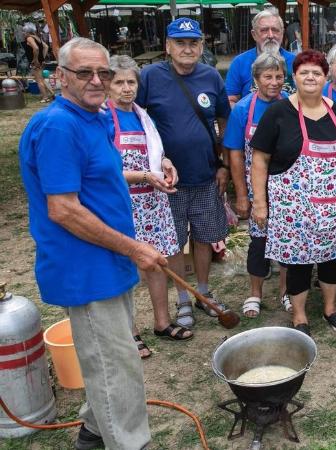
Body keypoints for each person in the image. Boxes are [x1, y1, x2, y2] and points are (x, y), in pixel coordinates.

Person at [19, 36, 166, 450]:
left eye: (104, 71)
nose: (97, 80)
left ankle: (96, 430)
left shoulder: (96, 117)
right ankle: (130, 443)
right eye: (85, 72)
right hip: (84, 267)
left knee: (110, 358)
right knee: (115, 366)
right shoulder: (58, 126)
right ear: (60, 77)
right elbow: (63, 209)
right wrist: (136, 248)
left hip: (110, 260)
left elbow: (99, 178)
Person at [249, 50, 336, 336]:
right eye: (305, 72)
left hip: (334, 207)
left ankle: (330, 308)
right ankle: (300, 316)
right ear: (295, 77)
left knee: (330, 259)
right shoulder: (278, 113)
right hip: (293, 208)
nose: (311, 77)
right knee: (297, 263)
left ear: (325, 77)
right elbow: (259, 160)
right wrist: (260, 203)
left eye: (317, 72)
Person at [137, 17, 231, 328]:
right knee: (173, 241)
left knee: (203, 237)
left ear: (202, 46)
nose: (187, 48)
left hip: (205, 174)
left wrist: (223, 164)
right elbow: (134, 118)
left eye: (193, 43)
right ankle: (182, 299)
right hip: (167, 182)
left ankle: (202, 293)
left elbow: (222, 122)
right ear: (167, 46)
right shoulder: (149, 76)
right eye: (180, 42)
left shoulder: (211, 77)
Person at [105, 55, 190, 358]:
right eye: (119, 82)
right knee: (127, 267)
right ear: (107, 85)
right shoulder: (104, 117)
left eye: (131, 82)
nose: (127, 88)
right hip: (123, 203)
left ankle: (162, 322)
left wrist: (165, 163)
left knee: (157, 262)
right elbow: (103, 170)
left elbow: (155, 153)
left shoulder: (142, 116)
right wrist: (143, 175)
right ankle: (130, 333)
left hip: (154, 201)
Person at [225, 52, 289, 318]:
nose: (273, 82)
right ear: (255, 79)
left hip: (289, 187)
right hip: (256, 187)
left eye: (279, 76)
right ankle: (255, 293)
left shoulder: (291, 105)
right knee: (259, 242)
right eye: (267, 77)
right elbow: (236, 154)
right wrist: (241, 194)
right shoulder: (243, 109)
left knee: (288, 241)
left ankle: (286, 291)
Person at [225, 8, 296, 107]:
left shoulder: (296, 62)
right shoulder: (240, 62)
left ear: (282, 33)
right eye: (264, 30)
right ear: (254, 34)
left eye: (275, 30)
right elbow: (230, 101)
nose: (270, 35)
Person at [23, 23, 54, 103]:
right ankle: (52, 94)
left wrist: (35, 59)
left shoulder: (29, 38)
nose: (23, 33)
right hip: (40, 61)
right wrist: (42, 58)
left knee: (39, 80)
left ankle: (45, 97)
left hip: (35, 62)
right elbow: (46, 47)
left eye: (24, 31)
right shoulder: (37, 37)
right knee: (42, 79)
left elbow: (36, 48)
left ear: (27, 32)